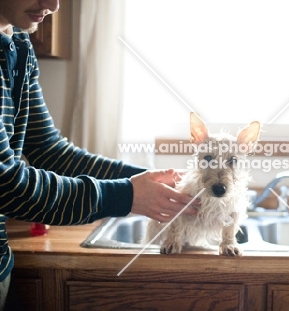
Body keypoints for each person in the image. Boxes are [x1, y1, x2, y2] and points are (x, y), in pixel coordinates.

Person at [0, 0, 199, 308]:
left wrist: (149, 181)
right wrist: (128, 195)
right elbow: (8, 187)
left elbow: (48, 150)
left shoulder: (19, 43)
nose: (52, 5)